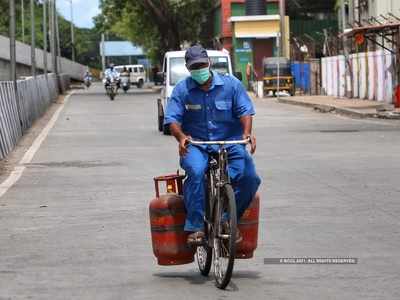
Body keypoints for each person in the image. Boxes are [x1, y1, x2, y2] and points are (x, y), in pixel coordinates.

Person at [164, 45, 261, 244]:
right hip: (196, 144)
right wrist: (181, 137)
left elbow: (245, 111)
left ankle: (228, 219)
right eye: (194, 67)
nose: (199, 69)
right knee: (197, 172)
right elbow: (172, 119)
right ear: (188, 68)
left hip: (230, 142)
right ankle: (196, 226)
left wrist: (247, 133)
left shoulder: (231, 85)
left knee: (250, 178)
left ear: (209, 63)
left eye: (202, 65)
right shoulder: (182, 89)